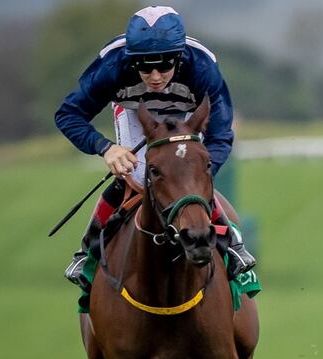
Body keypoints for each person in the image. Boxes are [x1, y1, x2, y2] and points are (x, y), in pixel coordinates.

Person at [55, 5, 254, 296]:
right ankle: (90, 248)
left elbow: (221, 134)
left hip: (188, 112)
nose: (156, 76)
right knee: (134, 175)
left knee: (187, 179)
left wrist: (201, 172)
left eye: (164, 66)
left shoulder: (202, 68)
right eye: (145, 67)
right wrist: (106, 148)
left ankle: (231, 243)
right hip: (136, 110)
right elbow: (68, 114)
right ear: (131, 60)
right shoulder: (112, 66)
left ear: (179, 58)